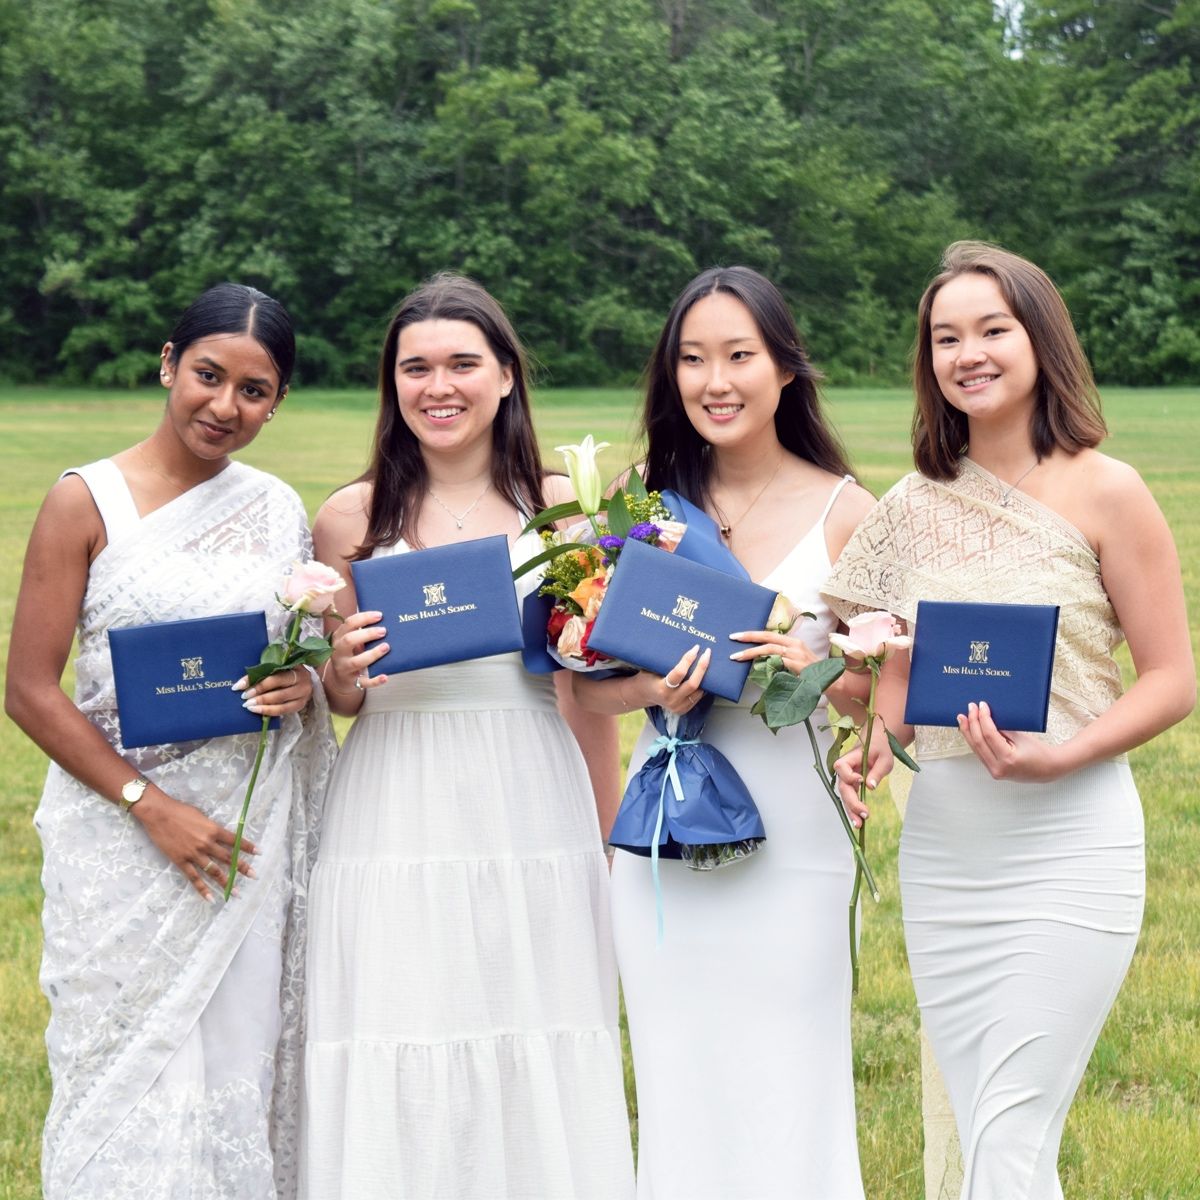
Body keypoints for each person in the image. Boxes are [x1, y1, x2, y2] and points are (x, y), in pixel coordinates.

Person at [823, 241, 1195, 1199]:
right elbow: (879, 692)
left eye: (992, 329)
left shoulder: (1108, 489)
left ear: (1040, 341)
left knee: (1011, 1129)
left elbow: (1171, 679)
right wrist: (856, 704)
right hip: (949, 848)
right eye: (946, 337)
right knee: (988, 1119)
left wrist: (1065, 756)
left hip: (1070, 838)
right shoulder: (907, 508)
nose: (968, 354)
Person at [299, 273, 634, 1198]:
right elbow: (342, 698)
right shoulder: (350, 515)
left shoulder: (565, 506)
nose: (437, 387)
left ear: (506, 375)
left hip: (529, 785)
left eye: (461, 364)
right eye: (415, 368)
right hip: (394, 794)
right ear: (392, 383)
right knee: (401, 1017)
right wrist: (345, 669)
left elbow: (582, 685)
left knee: (534, 1016)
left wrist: (606, 838)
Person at [5, 283, 338, 1199]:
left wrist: (301, 685)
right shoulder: (85, 501)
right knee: (118, 1076)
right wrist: (148, 807)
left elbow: (302, 660)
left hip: (244, 837)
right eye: (208, 375)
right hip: (122, 840)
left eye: (254, 390)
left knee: (238, 1062)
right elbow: (28, 690)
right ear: (168, 364)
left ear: (278, 402)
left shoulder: (276, 508)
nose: (225, 405)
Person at [571, 266, 876, 1199]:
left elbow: (876, 696)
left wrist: (809, 665)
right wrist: (650, 688)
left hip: (798, 836)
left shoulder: (847, 511)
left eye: (739, 355)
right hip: (667, 830)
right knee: (681, 1079)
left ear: (785, 366)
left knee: (791, 1075)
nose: (715, 381)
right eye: (693, 359)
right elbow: (585, 692)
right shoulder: (636, 505)